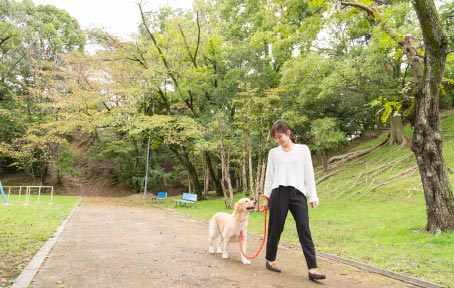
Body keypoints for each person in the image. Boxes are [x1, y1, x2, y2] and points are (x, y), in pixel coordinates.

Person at [262, 119, 326, 281]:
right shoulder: (273, 153)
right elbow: (269, 177)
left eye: (280, 137)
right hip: (278, 192)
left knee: (304, 228)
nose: (278, 140)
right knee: (276, 228)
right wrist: (266, 198)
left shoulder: (303, 150)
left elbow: (308, 174)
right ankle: (270, 260)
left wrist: (313, 196)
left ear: (288, 133)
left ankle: (312, 269)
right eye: (275, 138)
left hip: (298, 193)